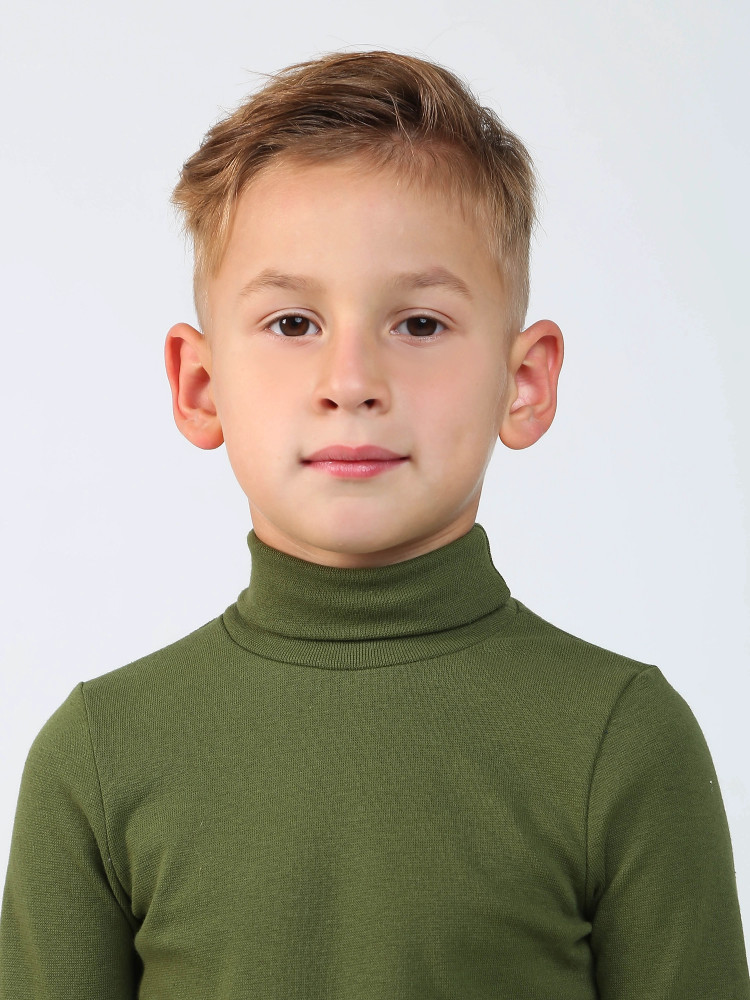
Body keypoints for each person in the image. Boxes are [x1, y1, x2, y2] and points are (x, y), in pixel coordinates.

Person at [1, 50, 747, 1000]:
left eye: (419, 325)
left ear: (524, 383)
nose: (350, 383)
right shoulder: (99, 756)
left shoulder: (625, 741)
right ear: (199, 384)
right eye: (293, 324)